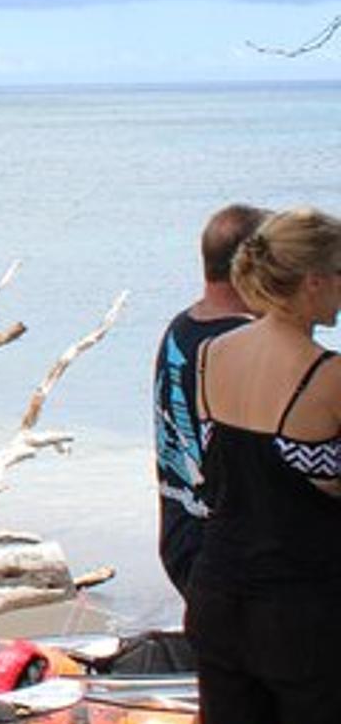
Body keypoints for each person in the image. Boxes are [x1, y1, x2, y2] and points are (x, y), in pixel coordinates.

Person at [183, 207, 341, 724]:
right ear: (310, 282)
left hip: (219, 588)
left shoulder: (212, 354)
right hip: (304, 607)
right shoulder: (326, 376)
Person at [154, 204, 267, 597]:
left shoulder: (182, 327)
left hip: (181, 533)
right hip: (226, 553)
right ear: (252, 270)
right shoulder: (242, 347)